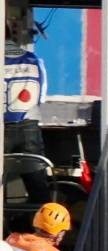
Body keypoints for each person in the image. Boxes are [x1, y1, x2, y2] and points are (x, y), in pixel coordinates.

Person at [4, 23, 50, 203]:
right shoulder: (34, 60)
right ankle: (43, 225)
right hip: (29, 127)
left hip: (2, 129)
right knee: (37, 183)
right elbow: (41, 96)